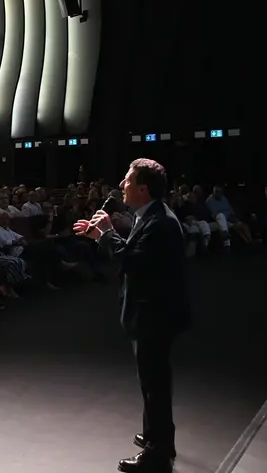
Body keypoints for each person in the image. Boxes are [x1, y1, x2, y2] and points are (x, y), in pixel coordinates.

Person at [74, 159, 189, 473]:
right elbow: (134, 253)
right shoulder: (150, 216)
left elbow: (132, 261)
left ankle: (158, 452)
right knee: (151, 381)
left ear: (142, 188)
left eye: (126, 180)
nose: (121, 186)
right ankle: (156, 435)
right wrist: (100, 235)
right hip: (152, 313)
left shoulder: (160, 222)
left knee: (155, 383)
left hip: (155, 314)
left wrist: (105, 233)